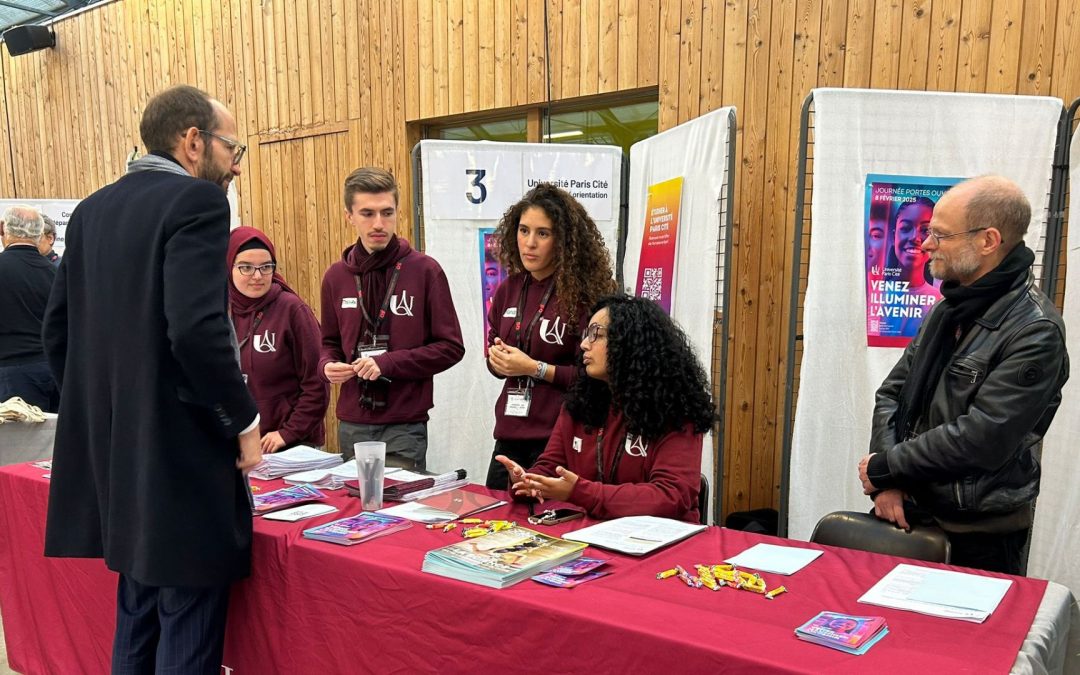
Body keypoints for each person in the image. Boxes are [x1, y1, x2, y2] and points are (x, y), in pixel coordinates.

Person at [42, 85, 261, 673]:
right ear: (193, 142)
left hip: (121, 463)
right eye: (231, 147)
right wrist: (241, 419)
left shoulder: (91, 211)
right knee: (186, 627)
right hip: (181, 461)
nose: (235, 163)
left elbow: (57, 334)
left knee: (136, 616)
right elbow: (194, 329)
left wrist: (105, 411)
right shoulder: (197, 203)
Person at [859, 175, 1069, 575]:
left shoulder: (1035, 330)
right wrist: (888, 481)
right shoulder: (950, 308)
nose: (926, 244)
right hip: (911, 509)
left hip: (979, 536)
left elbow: (982, 437)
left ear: (988, 241)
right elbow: (892, 394)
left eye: (940, 234)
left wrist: (887, 466)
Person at [496, 294, 715, 523]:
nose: (583, 344)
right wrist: (526, 481)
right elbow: (551, 466)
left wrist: (581, 492)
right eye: (586, 334)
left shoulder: (676, 408)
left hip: (662, 542)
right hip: (594, 534)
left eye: (596, 335)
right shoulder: (579, 402)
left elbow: (671, 496)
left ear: (629, 343)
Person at [320, 167, 464, 470]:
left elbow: (451, 347)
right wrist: (327, 364)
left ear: (398, 212)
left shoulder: (425, 271)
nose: (378, 224)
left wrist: (387, 363)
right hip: (352, 421)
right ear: (349, 215)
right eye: (367, 213)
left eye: (387, 212)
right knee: (360, 511)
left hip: (404, 423)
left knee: (400, 513)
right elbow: (329, 342)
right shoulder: (336, 277)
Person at [483, 184, 616, 488]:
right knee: (496, 522)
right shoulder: (508, 289)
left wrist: (535, 368)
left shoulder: (586, 297)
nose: (529, 243)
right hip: (509, 434)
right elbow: (493, 354)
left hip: (561, 438)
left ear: (564, 241)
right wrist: (498, 362)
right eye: (524, 230)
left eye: (543, 233)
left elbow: (598, 377)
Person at [228, 226, 329, 451]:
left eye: (265, 267)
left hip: (290, 445)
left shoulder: (292, 310)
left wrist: (288, 433)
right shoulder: (219, 312)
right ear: (228, 267)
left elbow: (317, 383)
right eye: (246, 267)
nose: (257, 276)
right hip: (239, 444)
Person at [0, 205, 58, 411]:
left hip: (12, 372)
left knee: (18, 441)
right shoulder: (55, 273)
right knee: (55, 439)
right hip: (55, 369)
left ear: (3, 229)